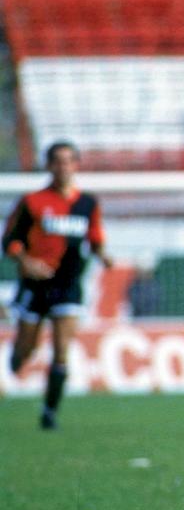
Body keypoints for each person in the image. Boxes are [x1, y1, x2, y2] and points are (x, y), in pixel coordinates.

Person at [2, 141, 112, 429]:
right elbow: (10, 240)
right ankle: (18, 355)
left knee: (62, 348)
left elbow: (96, 239)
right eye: (57, 161)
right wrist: (25, 261)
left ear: (76, 165)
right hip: (35, 284)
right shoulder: (32, 202)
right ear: (49, 165)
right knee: (27, 349)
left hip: (68, 284)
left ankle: (50, 412)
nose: (63, 167)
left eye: (69, 161)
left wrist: (104, 256)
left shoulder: (87, 203)